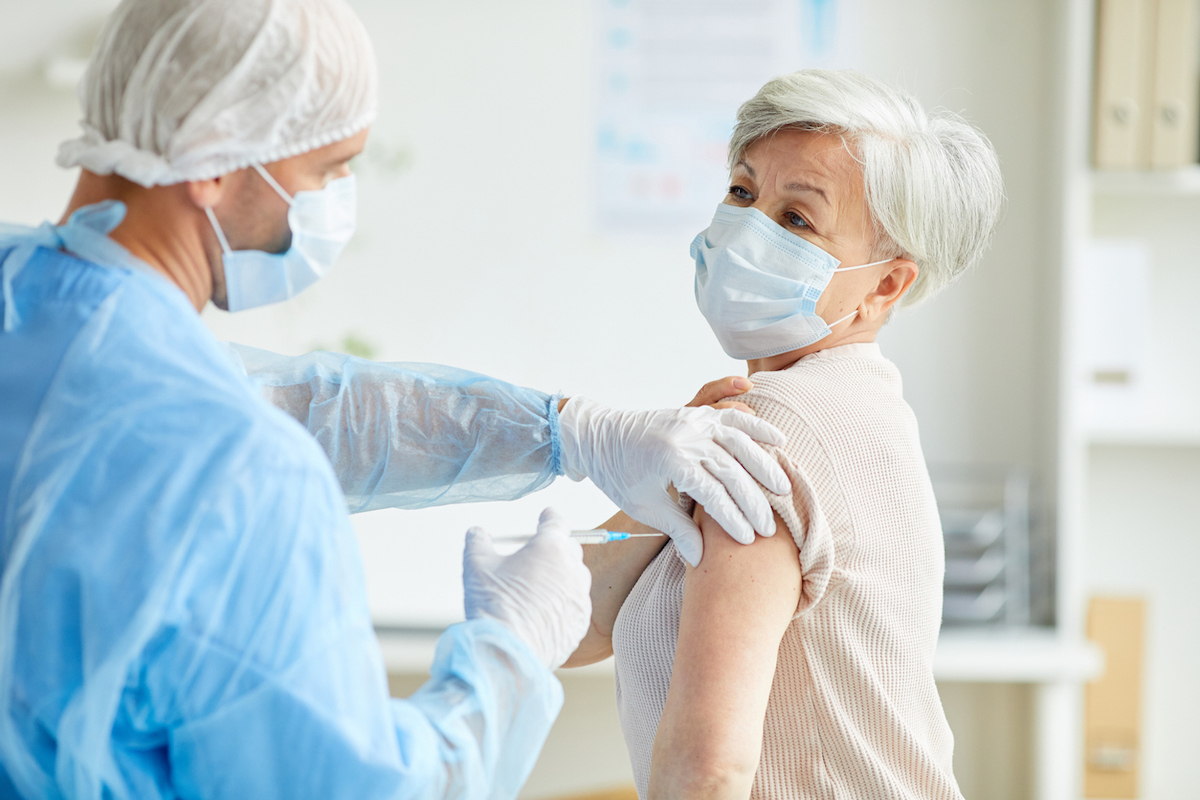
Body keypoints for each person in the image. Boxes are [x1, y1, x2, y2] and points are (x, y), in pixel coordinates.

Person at [0, 1, 793, 798]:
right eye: (327, 170)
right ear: (210, 160)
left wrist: (569, 433)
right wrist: (507, 650)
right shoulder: (244, 479)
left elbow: (307, 410)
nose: (337, 198)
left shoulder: (34, 310)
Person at [566, 69, 1004, 799]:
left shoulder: (780, 422)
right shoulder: (834, 406)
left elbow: (706, 771)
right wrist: (655, 485)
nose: (746, 230)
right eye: (743, 193)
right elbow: (566, 627)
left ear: (887, 286)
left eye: (797, 219)